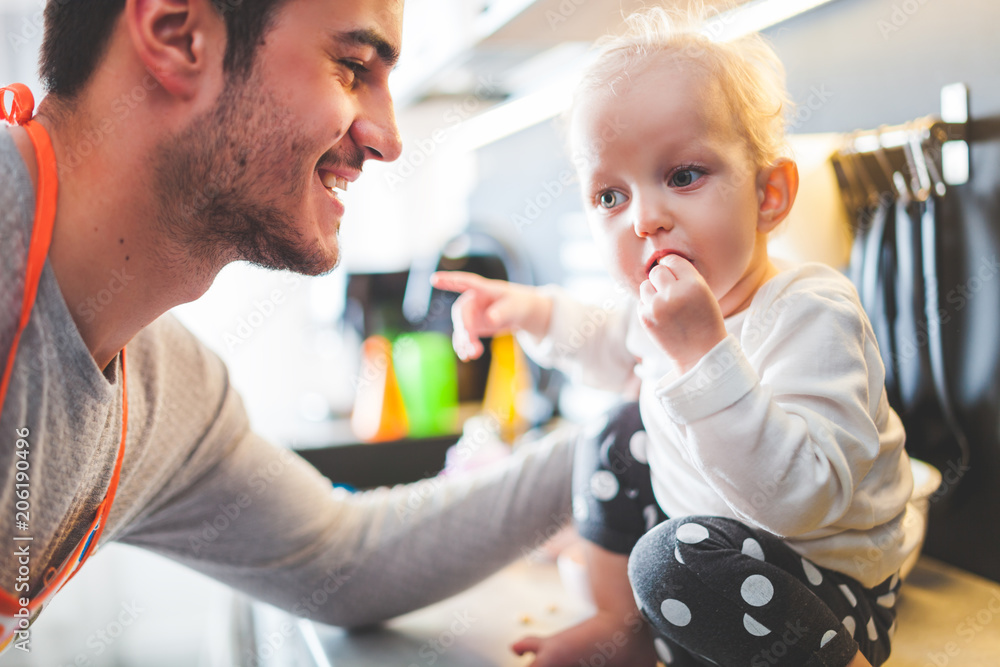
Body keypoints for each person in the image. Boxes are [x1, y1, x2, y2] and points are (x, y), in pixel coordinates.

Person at [0, 0, 577, 653]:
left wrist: (627, 438)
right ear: (176, 36)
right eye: (352, 67)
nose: (388, 137)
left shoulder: (165, 392)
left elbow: (342, 560)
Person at [432, 8, 922, 667]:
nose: (645, 218)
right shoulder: (658, 307)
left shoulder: (811, 312)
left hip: (823, 600)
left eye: (684, 175)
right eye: (610, 195)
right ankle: (622, 628)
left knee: (671, 556)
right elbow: (605, 340)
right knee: (614, 432)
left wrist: (703, 356)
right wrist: (529, 312)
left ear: (770, 194)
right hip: (702, 594)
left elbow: (800, 503)